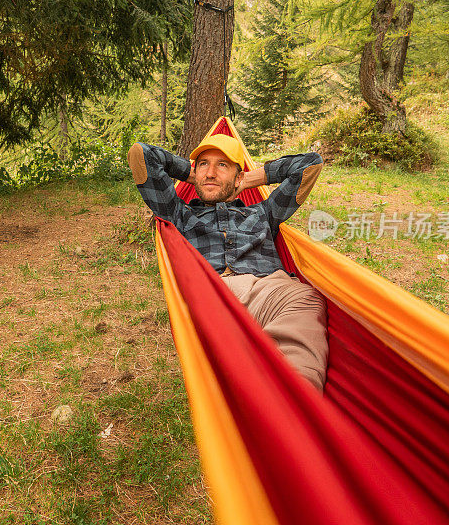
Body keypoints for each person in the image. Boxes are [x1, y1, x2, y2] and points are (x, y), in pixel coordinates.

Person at [128, 134, 328, 391]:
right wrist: (195, 176)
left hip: (266, 290)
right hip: (209, 292)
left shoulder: (265, 212)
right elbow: (142, 154)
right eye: (203, 164)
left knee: (305, 298)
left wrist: (246, 180)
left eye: (222, 165)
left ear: (239, 176)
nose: (210, 172)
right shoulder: (178, 213)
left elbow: (310, 164)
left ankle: (297, 397)